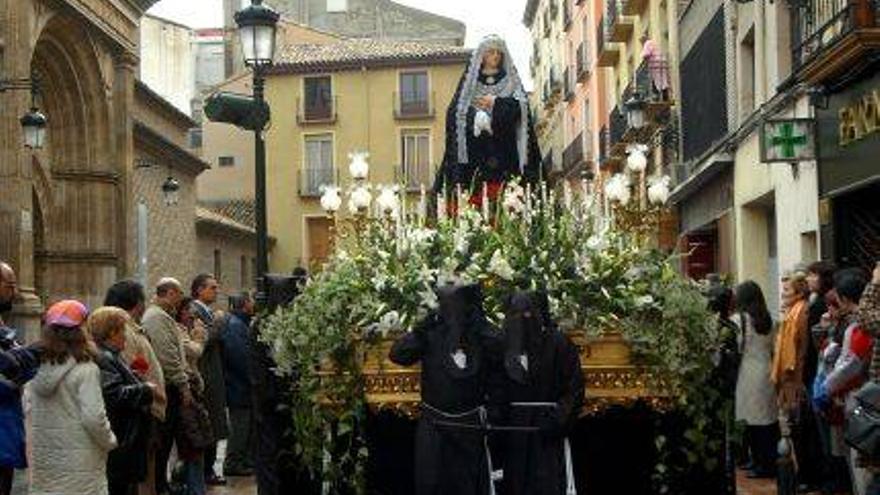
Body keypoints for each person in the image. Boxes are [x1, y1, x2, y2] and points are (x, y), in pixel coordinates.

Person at [389, 282, 503, 495]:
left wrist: (481, 324)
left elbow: (501, 353)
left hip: (470, 428)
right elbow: (397, 355)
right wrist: (421, 328)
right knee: (432, 485)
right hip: (435, 427)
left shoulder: (479, 333)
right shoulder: (432, 332)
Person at [433, 34, 542, 205]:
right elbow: (455, 111)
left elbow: (522, 108)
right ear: (482, 56)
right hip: (475, 156)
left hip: (506, 152)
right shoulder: (470, 82)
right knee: (475, 197)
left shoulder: (510, 81)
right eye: (491, 52)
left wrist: (495, 103)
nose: (496, 56)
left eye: (499, 53)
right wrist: (475, 116)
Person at [497, 290, 584, 495]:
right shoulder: (501, 346)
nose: (522, 320)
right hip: (513, 432)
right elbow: (494, 386)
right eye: (515, 314)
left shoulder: (559, 344)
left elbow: (574, 389)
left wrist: (557, 421)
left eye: (527, 314)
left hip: (547, 431)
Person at [28, 300, 117, 495]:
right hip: (81, 466)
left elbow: (28, 413)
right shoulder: (86, 370)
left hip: (46, 464)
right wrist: (109, 440)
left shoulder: (36, 369)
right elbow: (94, 418)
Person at [104, 280, 167, 495]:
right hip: (141, 412)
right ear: (136, 303)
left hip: (146, 408)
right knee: (140, 476)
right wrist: (147, 391)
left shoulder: (131, 328)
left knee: (147, 470)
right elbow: (129, 372)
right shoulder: (125, 330)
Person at [816, 268, 872, 494]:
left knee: (862, 472)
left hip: (862, 404)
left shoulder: (859, 326)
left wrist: (826, 387)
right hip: (864, 400)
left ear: (846, 299)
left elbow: (848, 365)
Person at [90, 307, 156, 495]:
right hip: (122, 438)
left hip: (126, 438)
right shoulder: (105, 357)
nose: (126, 337)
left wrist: (132, 376)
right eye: (123, 331)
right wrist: (145, 389)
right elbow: (112, 394)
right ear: (112, 333)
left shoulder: (111, 355)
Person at [142, 278, 190, 495]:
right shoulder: (157, 318)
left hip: (169, 384)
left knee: (168, 438)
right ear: (170, 293)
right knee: (163, 439)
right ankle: (160, 485)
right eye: (179, 294)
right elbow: (167, 354)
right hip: (167, 386)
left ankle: (163, 483)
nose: (181, 299)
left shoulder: (163, 316)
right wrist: (182, 383)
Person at [0, 262, 41, 495]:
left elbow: (22, 370)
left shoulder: (4, 326)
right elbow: (12, 375)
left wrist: (22, 360)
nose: (14, 293)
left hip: (8, 430)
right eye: (9, 286)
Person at [732, 281, 778, 479]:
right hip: (767, 371)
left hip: (747, 373)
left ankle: (759, 463)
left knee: (750, 420)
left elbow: (737, 345)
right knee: (767, 419)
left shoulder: (739, 320)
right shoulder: (770, 319)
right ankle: (767, 461)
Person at [190, 274, 228, 486]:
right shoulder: (195, 312)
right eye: (212, 288)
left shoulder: (207, 312)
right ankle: (206, 470)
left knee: (214, 423)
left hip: (213, 374)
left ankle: (210, 468)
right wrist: (220, 322)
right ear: (199, 290)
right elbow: (205, 339)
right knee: (208, 423)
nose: (216, 291)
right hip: (205, 375)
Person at [174, 298, 211, 495]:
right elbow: (194, 351)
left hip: (193, 389)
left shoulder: (184, 330)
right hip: (186, 393)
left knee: (196, 444)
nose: (192, 314)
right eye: (188, 309)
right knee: (193, 444)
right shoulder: (179, 331)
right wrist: (199, 336)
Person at [221, 292, 255, 476]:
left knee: (245, 426)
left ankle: (243, 460)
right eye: (252, 301)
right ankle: (233, 462)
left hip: (242, 386)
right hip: (238, 386)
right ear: (245, 304)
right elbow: (240, 357)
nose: (254, 303)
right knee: (240, 427)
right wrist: (253, 377)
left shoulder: (241, 323)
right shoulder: (235, 326)